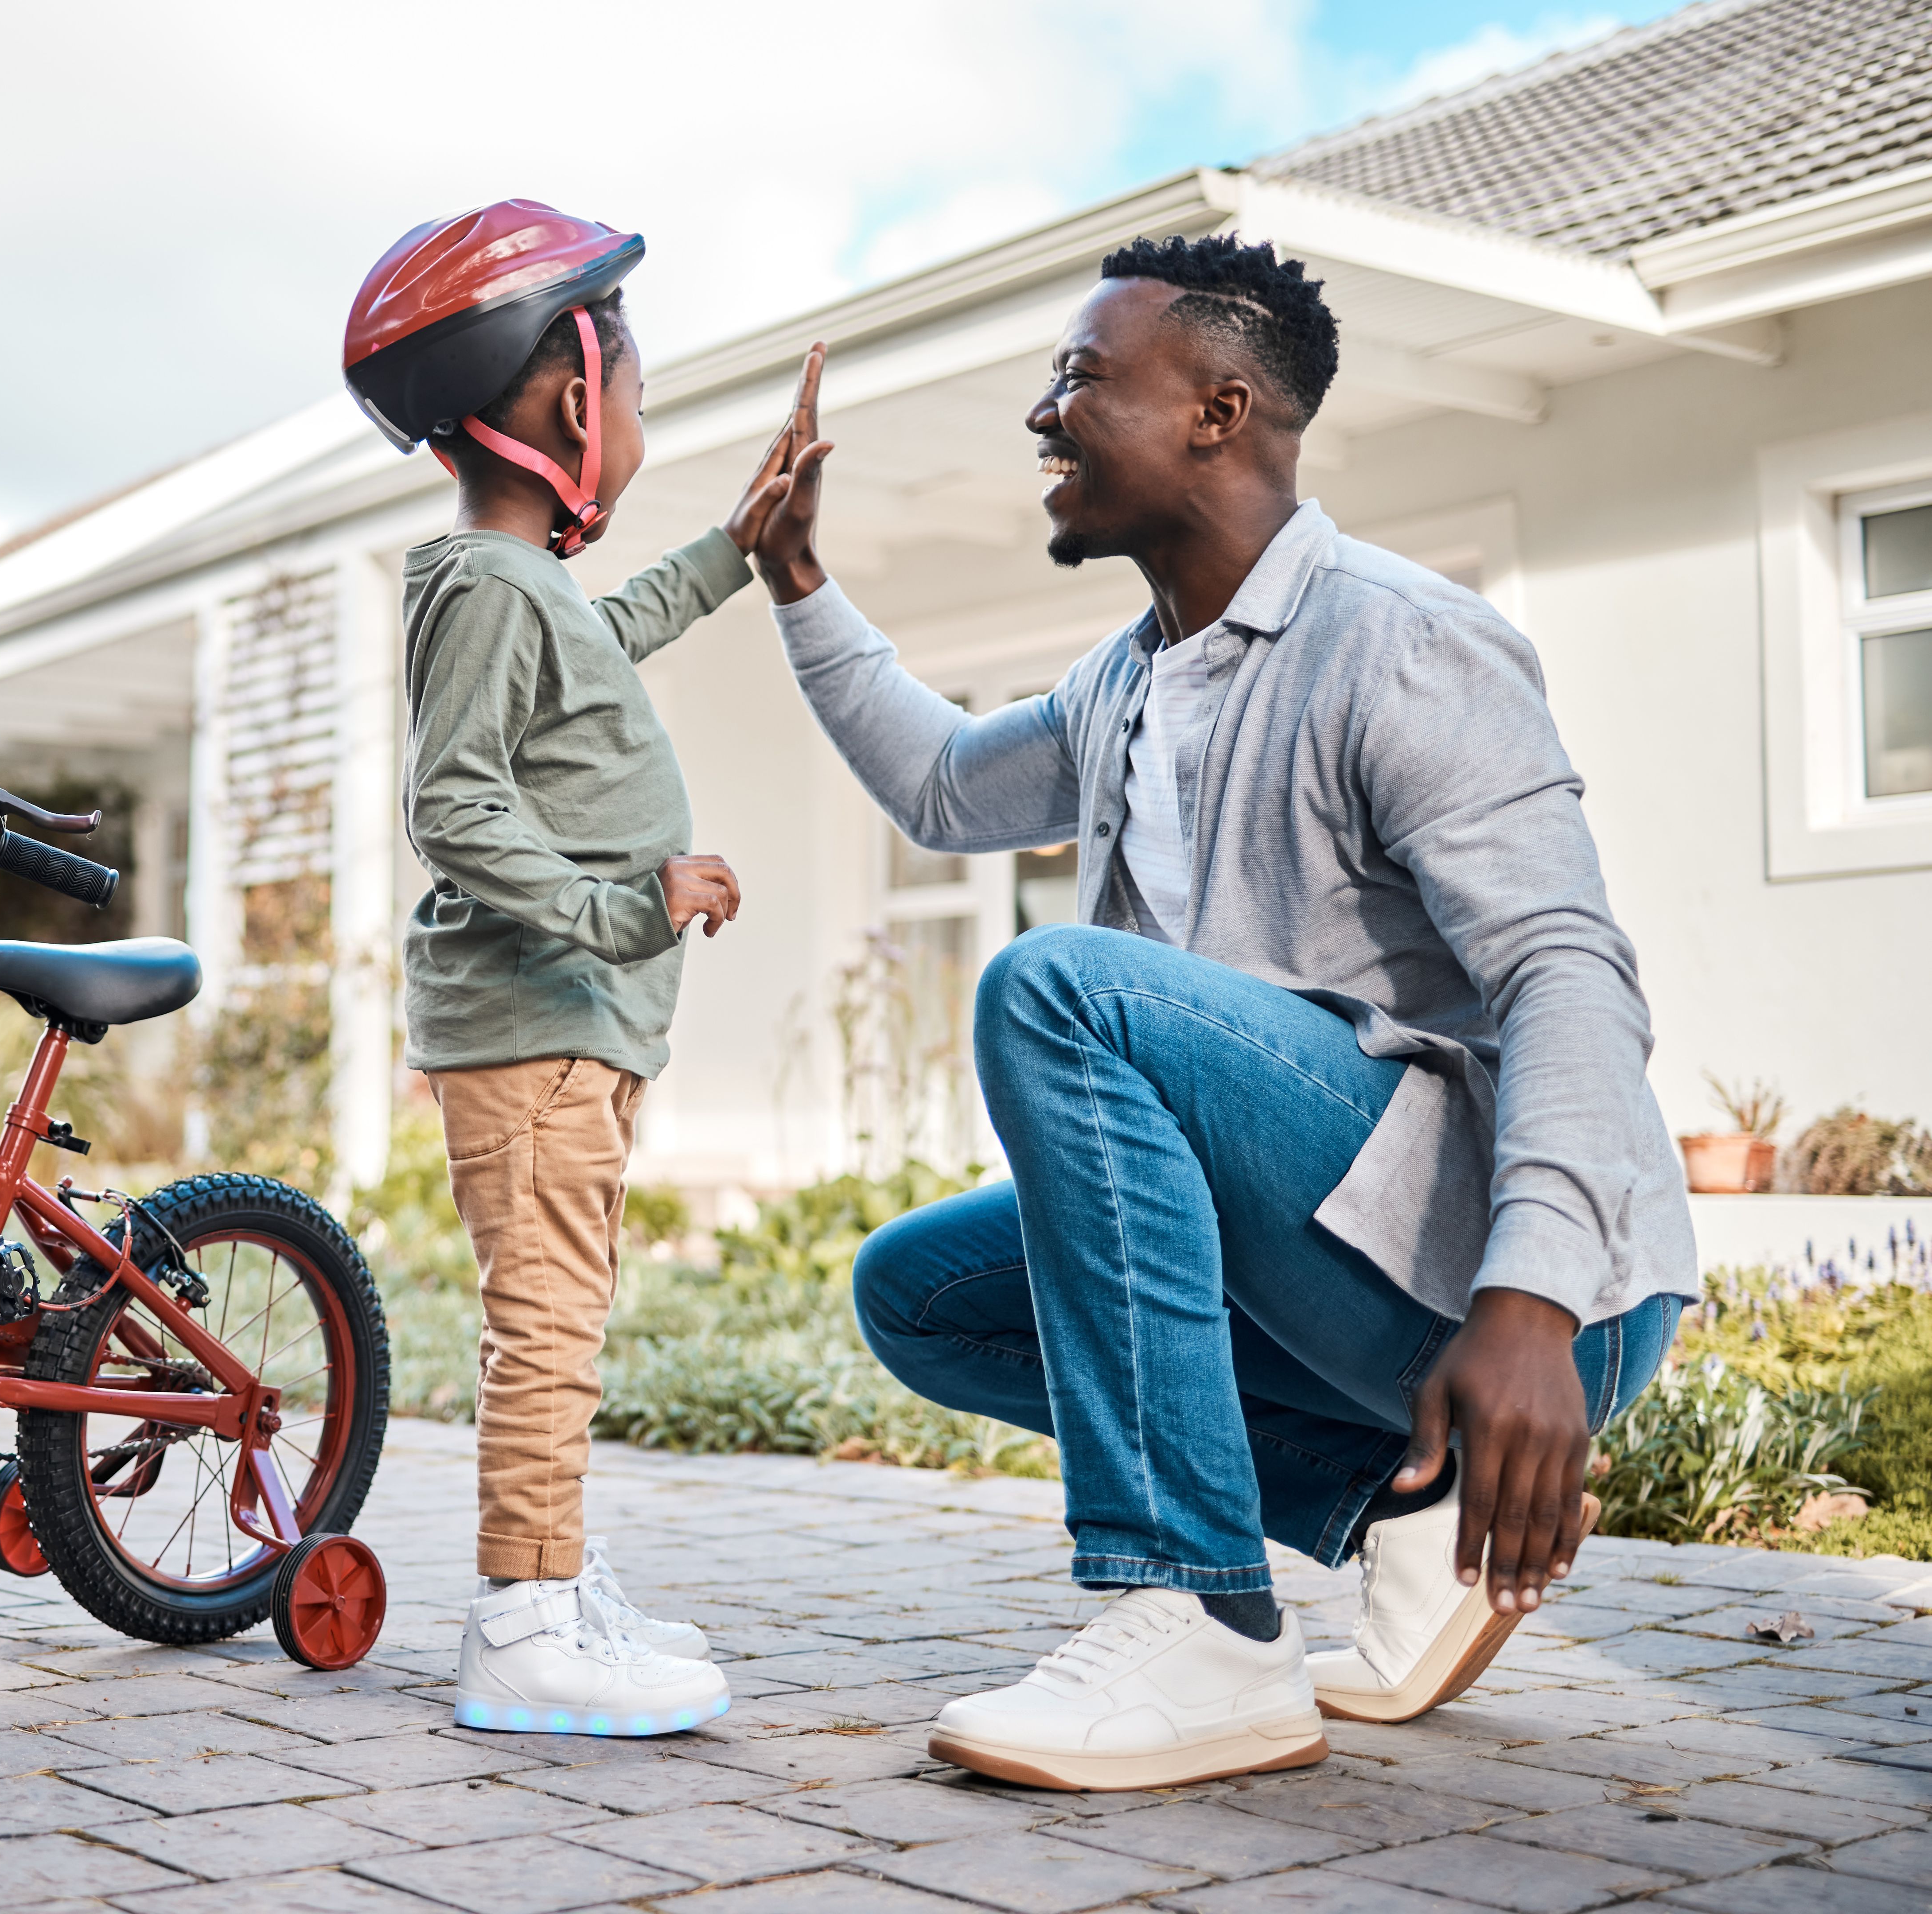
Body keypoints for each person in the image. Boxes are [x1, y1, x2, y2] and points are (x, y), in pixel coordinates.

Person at [743, 234, 1695, 1791]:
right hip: (1350, 1277)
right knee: (924, 1295)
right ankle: (1406, 1505)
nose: (1044, 415)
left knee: (1061, 989)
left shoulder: (1403, 641)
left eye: (1080, 379)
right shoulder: (1125, 686)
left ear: (1218, 411)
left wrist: (1532, 1303)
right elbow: (942, 787)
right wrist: (797, 582)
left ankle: (1202, 1617)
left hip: (1527, 1307)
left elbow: (1567, 971)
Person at [341, 200, 814, 1735]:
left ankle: (554, 1579)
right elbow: (454, 804)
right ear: (571, 405)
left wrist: (735, 550)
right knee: (545, 1329)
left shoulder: (524, 589)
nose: (643, 431)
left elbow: (606, 638)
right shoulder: (489, 585)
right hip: (540, 1021)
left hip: (575, 1028)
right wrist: (625, 906)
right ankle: (523, 1624)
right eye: (642, 400)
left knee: (566, 1317)